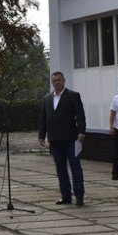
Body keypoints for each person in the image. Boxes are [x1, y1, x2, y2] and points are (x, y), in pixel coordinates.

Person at [38, 72, 87, 206]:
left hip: (71, 139)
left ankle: (79, 195)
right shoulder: (47, 98)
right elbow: (44, 118)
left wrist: (82, 131)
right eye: (54, 80)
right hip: (54, 140)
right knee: (60, 169)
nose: (57, 82)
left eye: (59, 80)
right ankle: (65, 195)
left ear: (63, 81)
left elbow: (80, 115)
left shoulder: (73, 96)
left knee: (75, 167)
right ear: (52, 82)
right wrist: (41, 135)